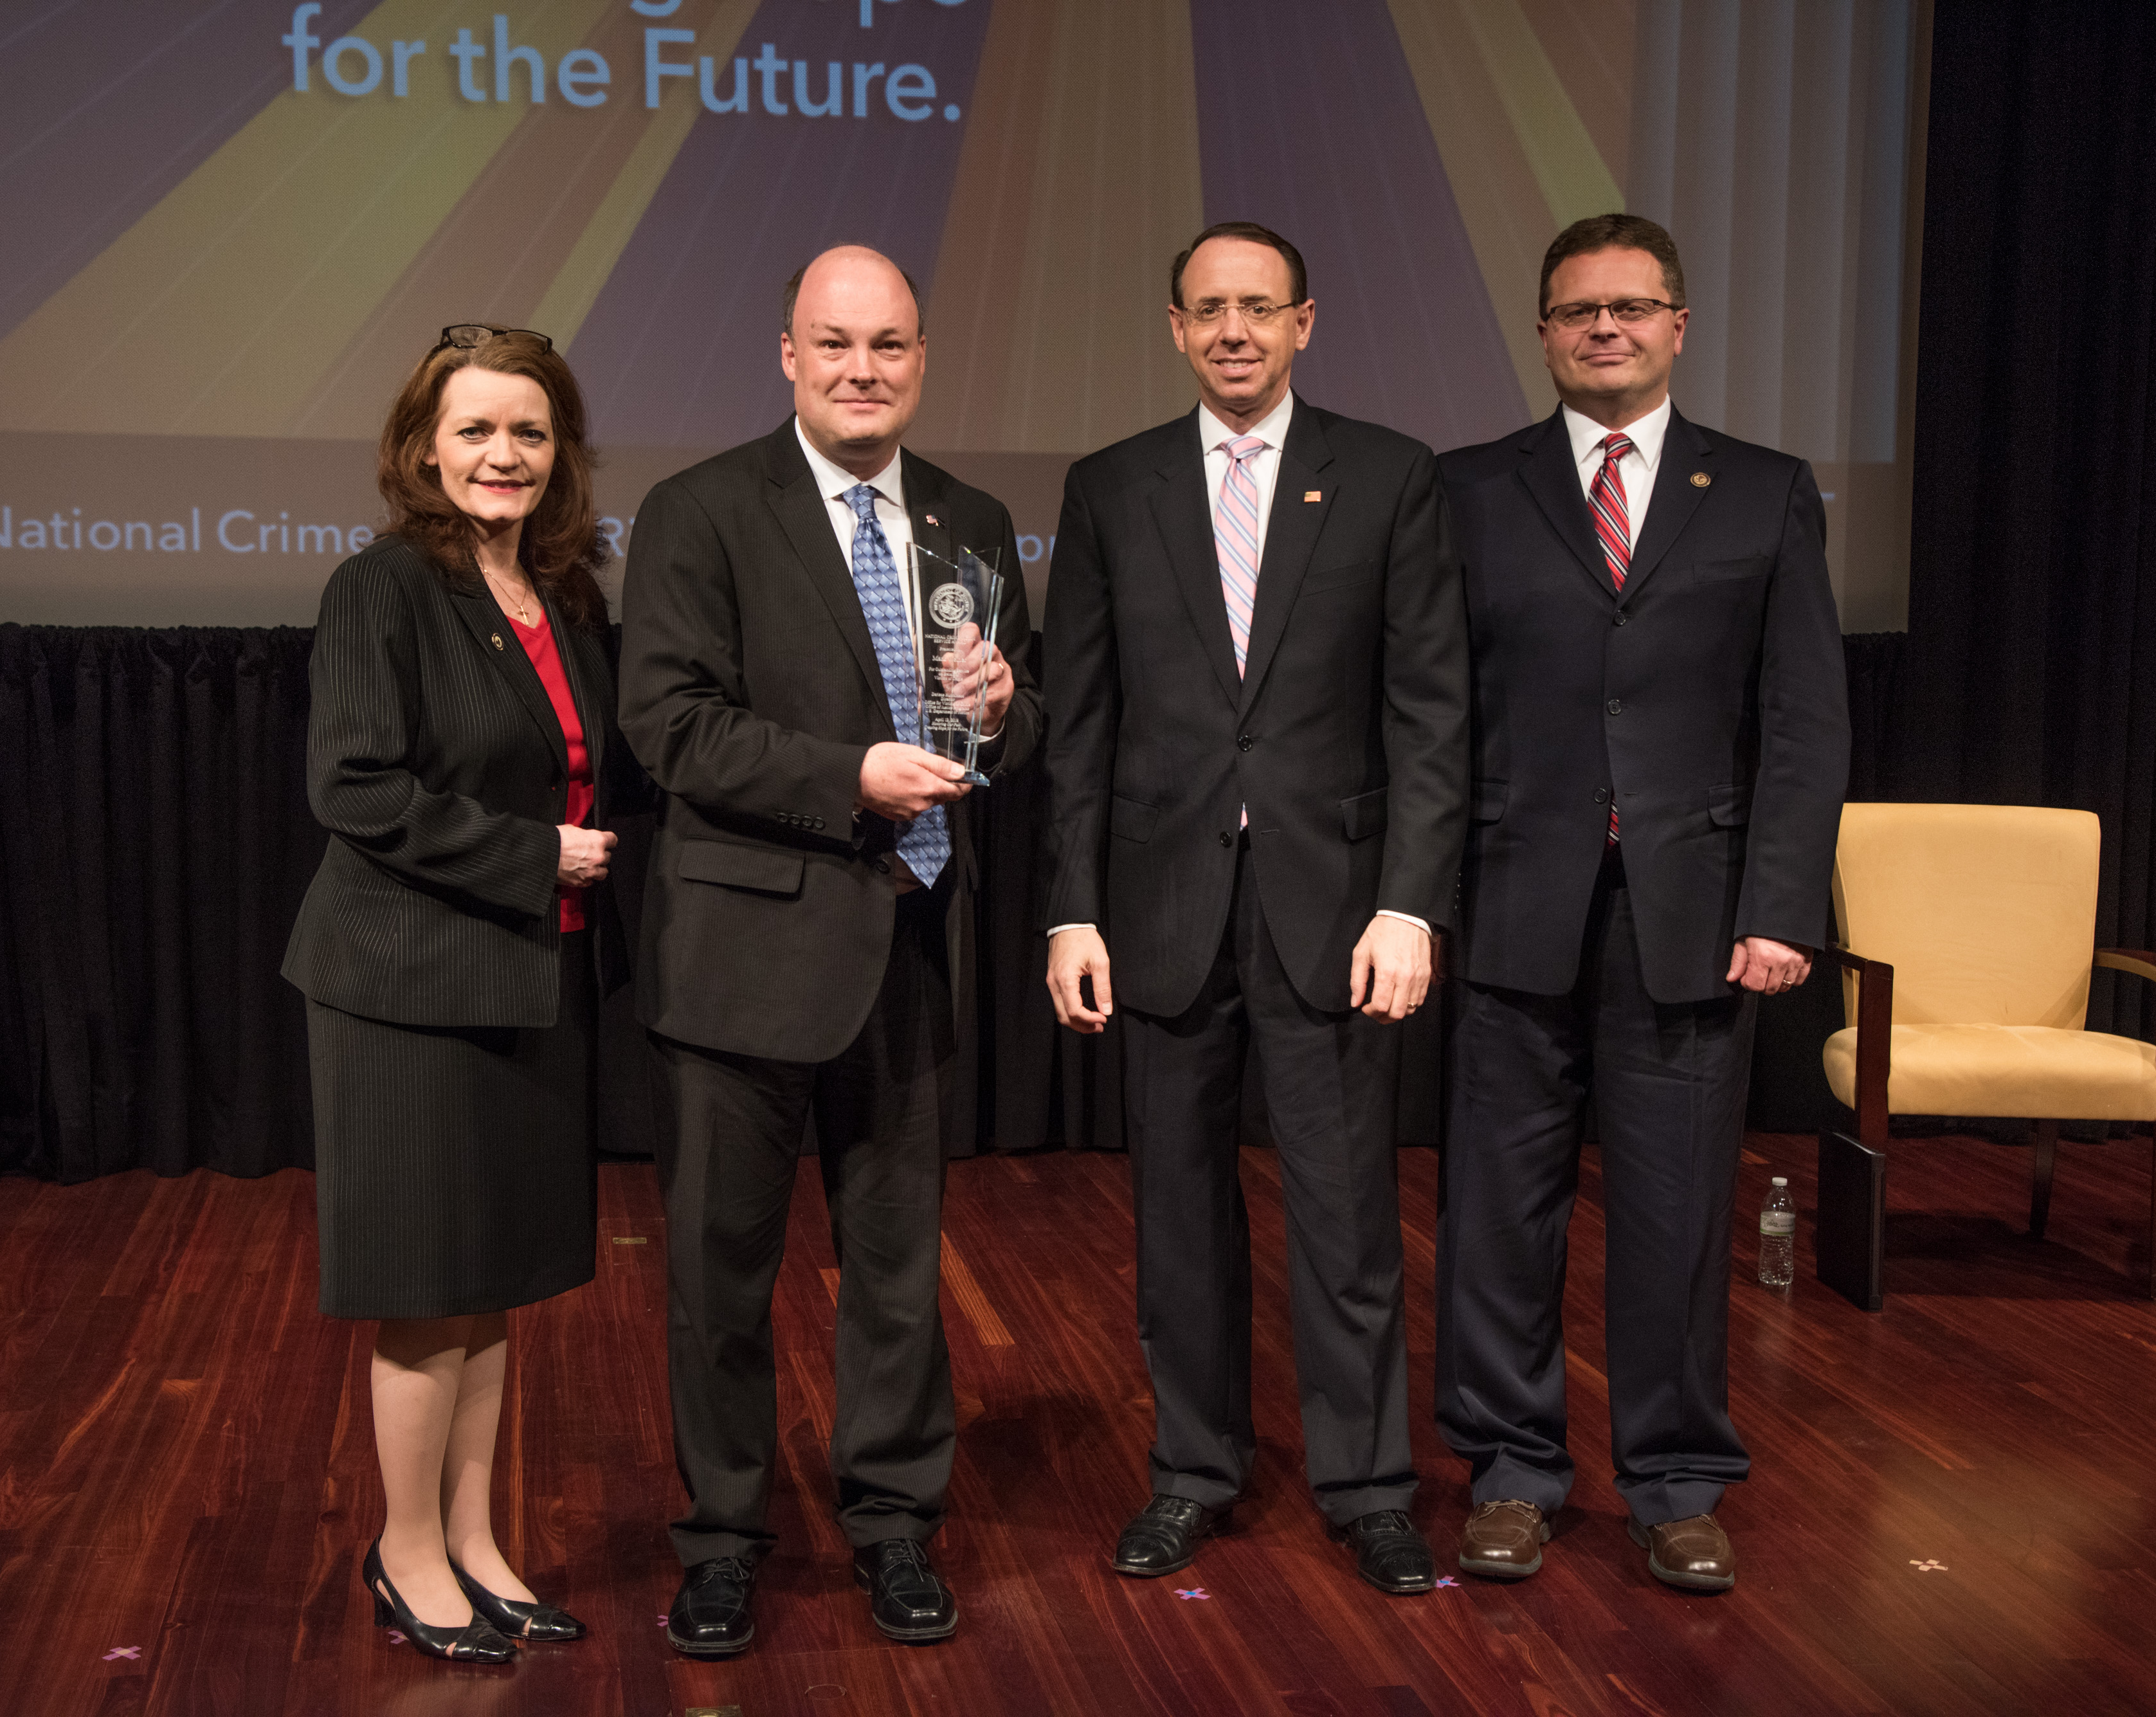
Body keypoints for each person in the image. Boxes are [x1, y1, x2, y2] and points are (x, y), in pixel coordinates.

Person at [617, 246, 1041, 1657]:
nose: (864, 367)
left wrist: (1001, 706)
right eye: (836, 343)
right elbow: (669, 725)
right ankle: (725, 1539)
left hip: (912, 946)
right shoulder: (698, 510)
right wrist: (847, 774)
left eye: (890, 345)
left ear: (922, 358)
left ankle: (891, 1527)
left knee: (900, 1276)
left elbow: (1007, 726)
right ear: (786, 355)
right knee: (719, 1277)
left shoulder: (971, 518)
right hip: (741, 956)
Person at [1040, 222, 1470, 1595]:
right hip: (1159, 908)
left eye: (1258, 307)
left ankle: (1366, 1487)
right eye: (1207, 309)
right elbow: (1083, 724)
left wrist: (1409, 901)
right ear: (1173, 328)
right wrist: (1071, 910)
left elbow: (1428, 715)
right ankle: (1191, 1474)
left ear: (1303, 323)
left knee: (1346, 1224)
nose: (1233, 330)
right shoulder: (1110, 487)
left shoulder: (1389, 476)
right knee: (1176, 1218)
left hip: (1334, 911)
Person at [1433, 214, 1851, 1594]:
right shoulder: (1468, 489)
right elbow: (1429, 715)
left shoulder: (1764, 488)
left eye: (1630, 307)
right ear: (1541, 331)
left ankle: (1674, 1481)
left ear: (1677, 325)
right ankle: (1509, 1471)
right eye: (1575, 311)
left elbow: (1800, 717)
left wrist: (1781, 903)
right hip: (1508, 900)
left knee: (1675, 1215)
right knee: (1500, 1209)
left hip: (1693, 910)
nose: (1602, 330)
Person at [284, 325, 629, 1659]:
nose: (504, 456)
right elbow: (354, 787)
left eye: (529, 433)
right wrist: (530, 854)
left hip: (528, 979)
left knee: (491, 1288)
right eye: (477, 430)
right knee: (427, 1288)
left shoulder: (566, 595)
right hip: (404, 984)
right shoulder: (381, 590)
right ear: (425, 445)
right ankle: (406, 1551)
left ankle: (479, 1542)